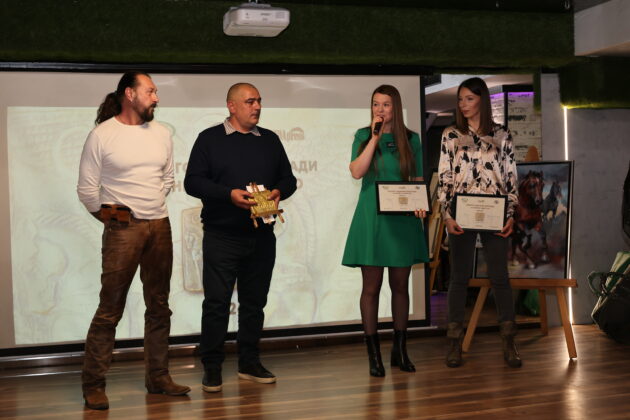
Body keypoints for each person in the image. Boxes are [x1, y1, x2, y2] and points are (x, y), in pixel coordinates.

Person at [77, 72, 190, 410]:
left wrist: (151, 207)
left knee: (159, 305)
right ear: (130, 94)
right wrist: (114, 221)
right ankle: (93, 384)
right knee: (110, 308)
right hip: (123, 229)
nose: (156, 97)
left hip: (160, 225)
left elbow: (168, 178)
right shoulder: (102, 134)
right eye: (150, 91)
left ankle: (158, 377)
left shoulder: (162, 133)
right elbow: (87, 190)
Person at [184, 83, 297, 393]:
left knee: (254, 303)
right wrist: (228, 195)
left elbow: (288, 179)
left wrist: (279, 191)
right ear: (231, 106)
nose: (257, 106)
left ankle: (249, 362)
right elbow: (192, 182)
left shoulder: (270, 140)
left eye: (259, 101)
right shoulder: (209, 139)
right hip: (222, 236)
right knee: (217, 304)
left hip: (262, 236)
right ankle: (212, 366)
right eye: (250, 101)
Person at [342, 85, 429, 377]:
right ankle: (374, 355)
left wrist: (420, 204)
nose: (380, 110)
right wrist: (374, 138)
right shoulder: (363, 136)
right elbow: (357, 171)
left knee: (401, 286)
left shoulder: (412, 139)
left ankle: (400, 351)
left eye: (386, 105)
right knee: (371, 287)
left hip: (402, 219)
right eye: (376, 104)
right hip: (372, 219)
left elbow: (417, 179)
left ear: (396, 107)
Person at [437, 77, 521, 368]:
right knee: (458, 278)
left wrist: (510, 214)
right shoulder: (450, 134)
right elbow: (445, 177)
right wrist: (447, 215)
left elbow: (511, 177)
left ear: (482, 100)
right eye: (460, 99)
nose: (463, 104)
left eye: (469, 99)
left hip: (495, 212)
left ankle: (509, 342)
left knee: (500, 277)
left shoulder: (502, 134)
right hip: (461, 213)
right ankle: (454, 343)